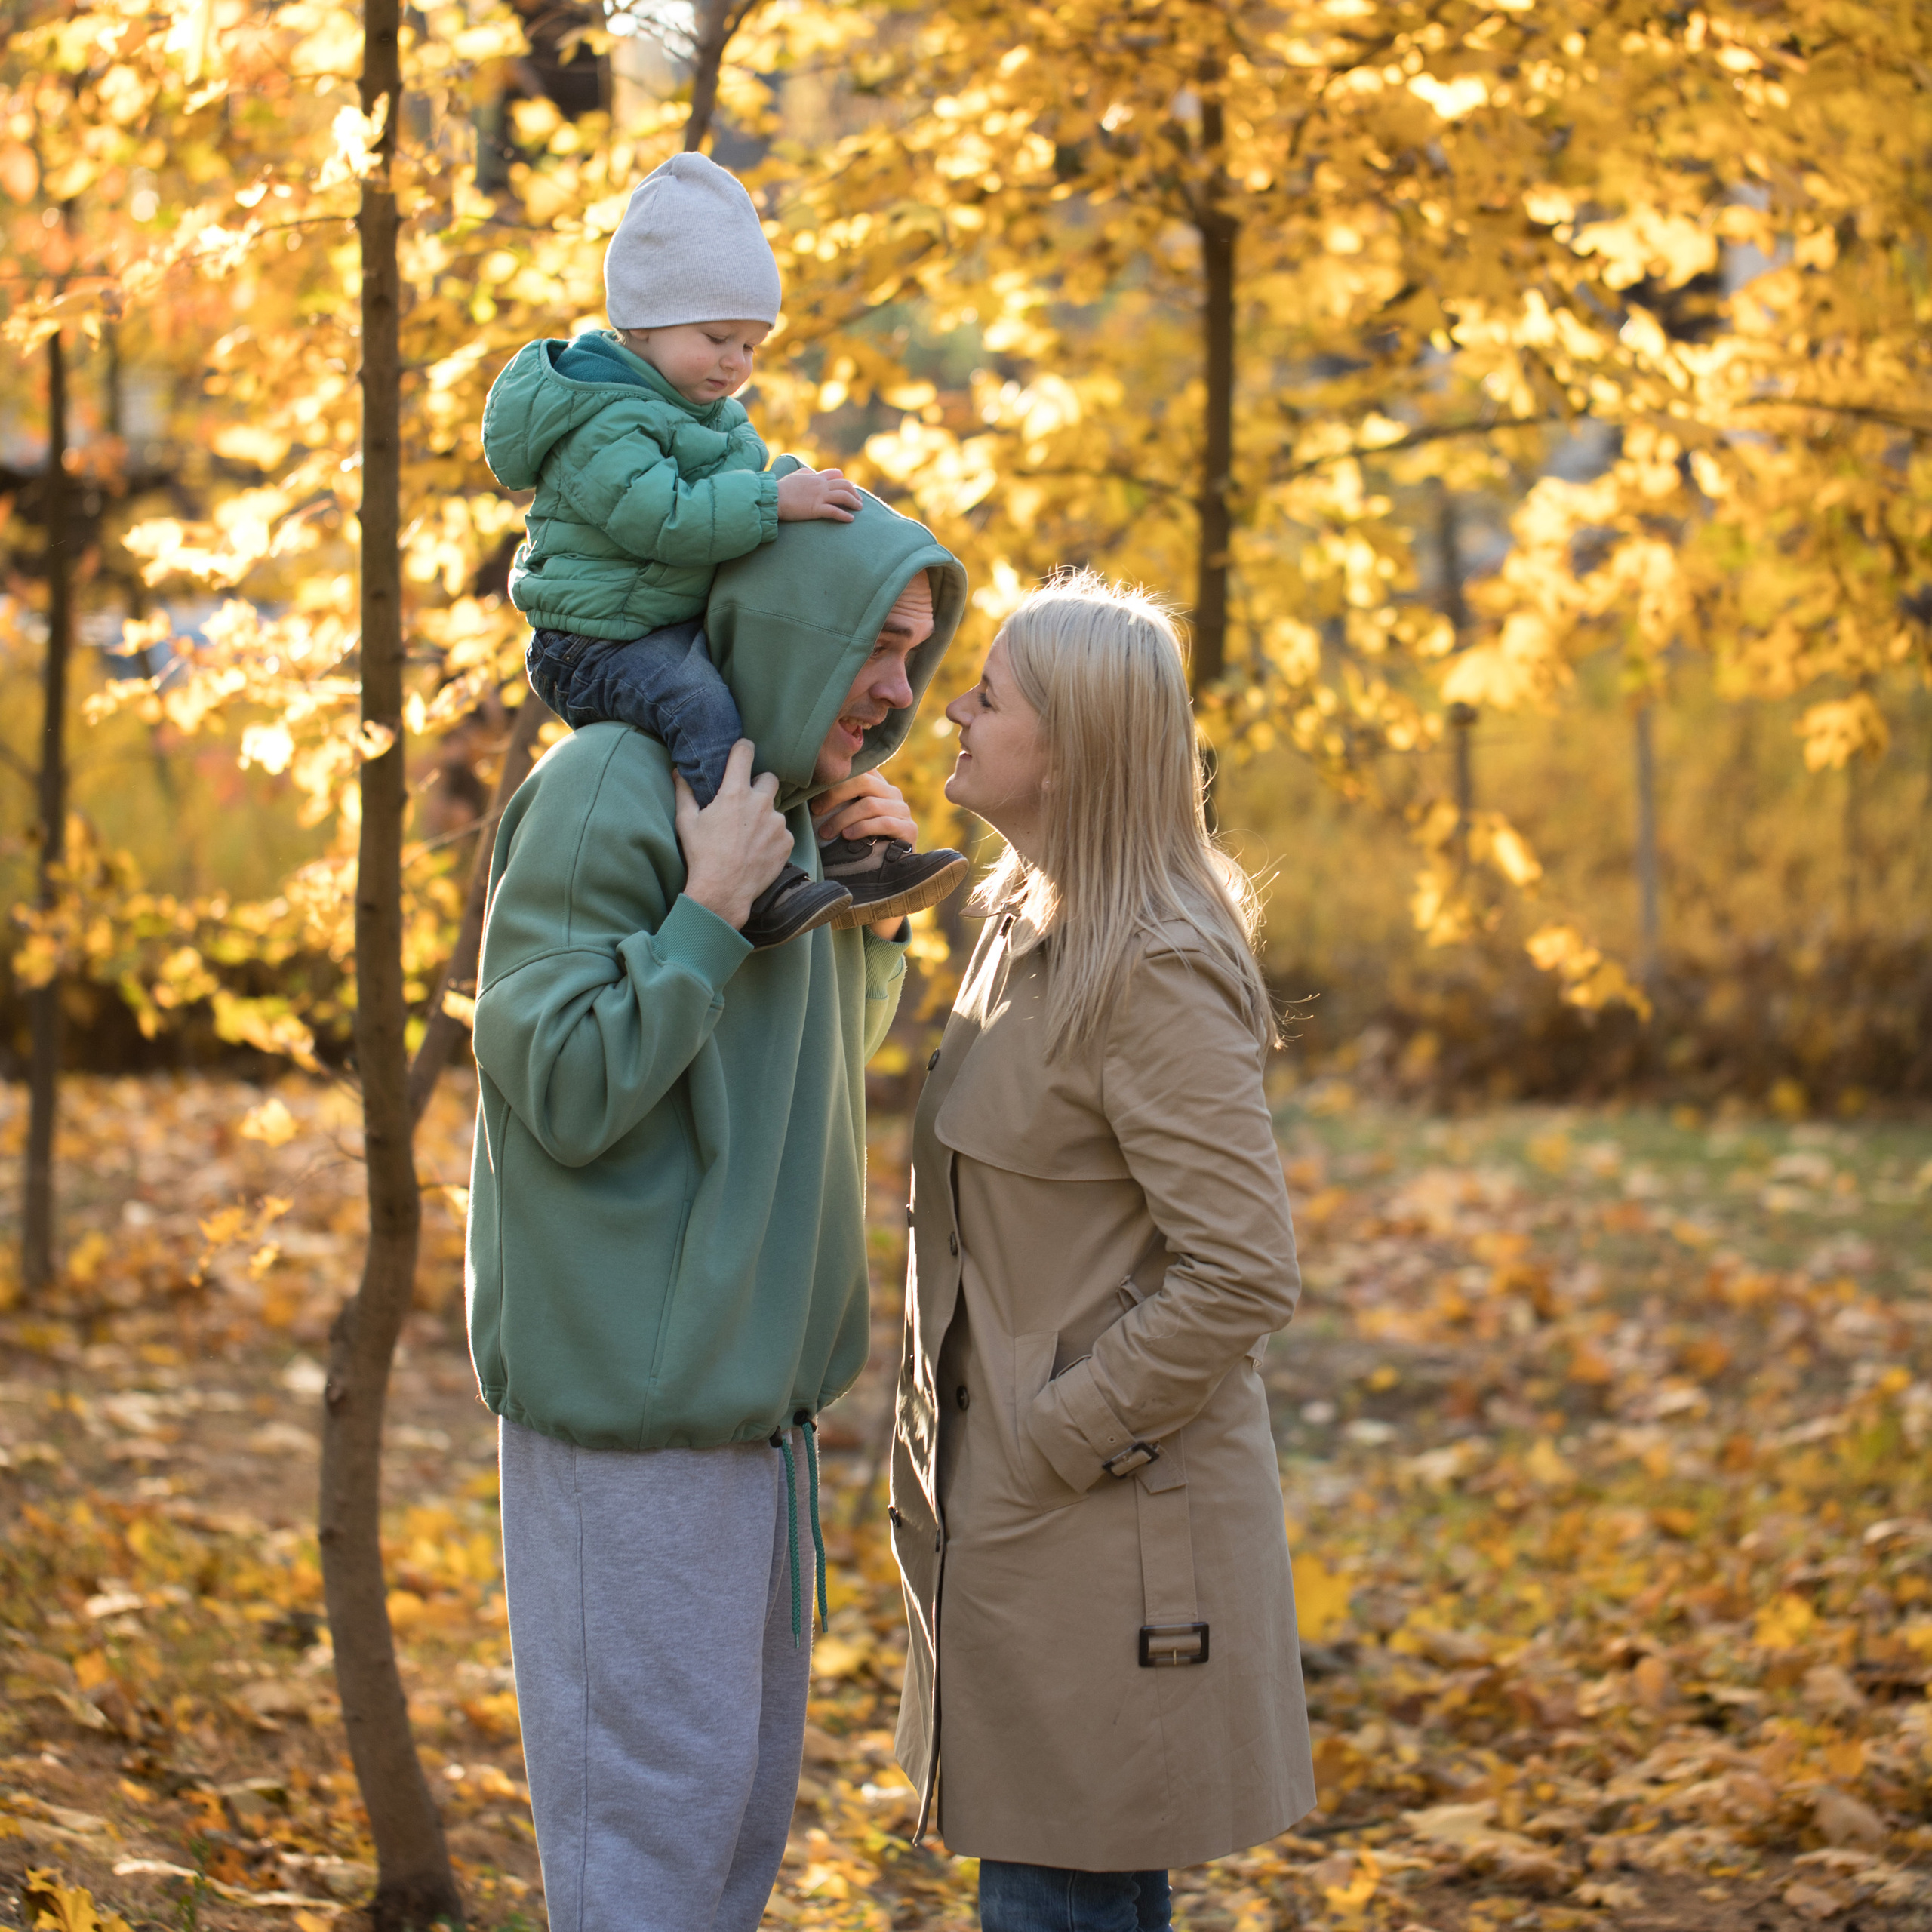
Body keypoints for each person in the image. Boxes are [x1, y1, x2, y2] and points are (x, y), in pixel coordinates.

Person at [466, 485, 966, 1931]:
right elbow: (557, 1084)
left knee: (725, 1843)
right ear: (786, 624)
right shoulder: (612, 787)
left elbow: (781, 1072)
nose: (897, 689)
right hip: (632, 1421)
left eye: (919, 651)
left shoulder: (774, 810)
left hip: (751, 1423)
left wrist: (859, 920)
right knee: (645, 1858)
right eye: (873, 641)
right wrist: (707, 912)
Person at [888, 572, 1315, 1932]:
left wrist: (1060, 1430)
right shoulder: (1019, 923)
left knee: (1057, 1890)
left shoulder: (1154, 970)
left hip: (1104, 1519)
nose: (953, 704)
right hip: (1020, 1519)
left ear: (1069, 745)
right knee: (1073, 1881)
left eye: (990, 693)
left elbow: (1244, 1269)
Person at [481, 150, 968, 948]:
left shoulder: (709, 416)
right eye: (717, 338)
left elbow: (747, 502)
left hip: (660, 621)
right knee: (703, 708)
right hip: (597, 640)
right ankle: (756, 874)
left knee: (782, 697)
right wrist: (775, 501)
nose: (735, 364)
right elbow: (663, 519)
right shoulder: (605, 419)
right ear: (641, 322)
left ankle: (849, 847)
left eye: (752, 346)